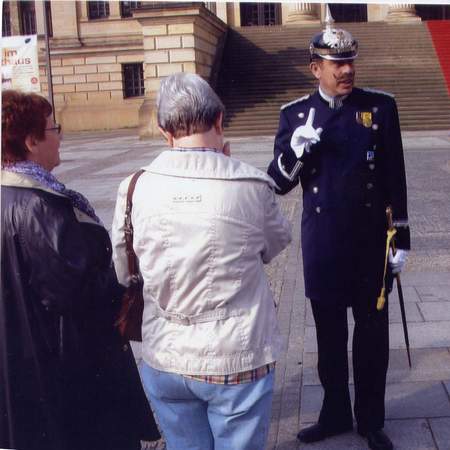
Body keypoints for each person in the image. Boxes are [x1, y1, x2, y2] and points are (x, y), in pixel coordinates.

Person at [112, 72, 292, 450]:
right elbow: (274, 245)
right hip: (237, 355)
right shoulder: (251, 184)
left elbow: (125, 270)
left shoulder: (133, 187)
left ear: (165, 131)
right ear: (220, 121)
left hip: (164, 354)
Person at [267, 9, 410, 450]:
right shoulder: (295, 116)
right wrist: (296, 151)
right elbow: (277, 183)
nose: (347, 70)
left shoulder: (379, 108)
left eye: (350, 62)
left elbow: (395, 176)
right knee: (330, 338)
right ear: (316, 68)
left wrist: (401, 236)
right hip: (324, 244)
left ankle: (370, 419)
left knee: (371, 337)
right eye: (336, 63)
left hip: (370, 244)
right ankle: (333, 414)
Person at [1, 90, 160, 450]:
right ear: (31, 141)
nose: (60, 135)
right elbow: (77, 295)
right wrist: (126, 290)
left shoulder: (12, 196)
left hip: (25, 368)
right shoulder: (42, 207)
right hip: (71, 371)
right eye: (53, 128)